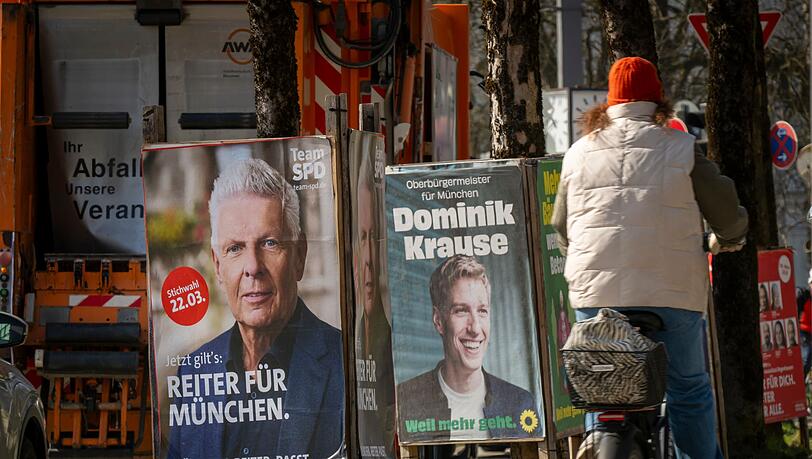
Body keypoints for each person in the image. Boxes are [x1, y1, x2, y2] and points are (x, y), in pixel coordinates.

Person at [552, 57, 747, 459]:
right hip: (671, 295)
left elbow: (561, 225)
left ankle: (596, 441)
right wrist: (729, 238)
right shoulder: (681, 148)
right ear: (658, 101)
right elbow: (727, 213)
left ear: (609, 102)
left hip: (596, 295)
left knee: (598, 380)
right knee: (688, 389)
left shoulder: (577, 153)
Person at [167, 158, 344, 459]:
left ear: (299, 256)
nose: (253, 267)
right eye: (235, 248)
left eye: (270, 243)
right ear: (218, 266)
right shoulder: (192, 373)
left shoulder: (344, 362)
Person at [396, 255, 535, 441]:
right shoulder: (406, 400)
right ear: (439, 321)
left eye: (482, 311)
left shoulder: (519, 403)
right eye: (461, 310)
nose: (475, 328)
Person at [353, 152, 395, 456]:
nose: (368, 258)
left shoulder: (389, 336)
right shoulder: (341, 338)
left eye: (374, 238)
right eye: (360, 237)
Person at [798, 272, 812, 375]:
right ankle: (800, 382)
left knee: (809, 360)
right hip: (804, 333)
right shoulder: (804, 296)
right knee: (806, 359)